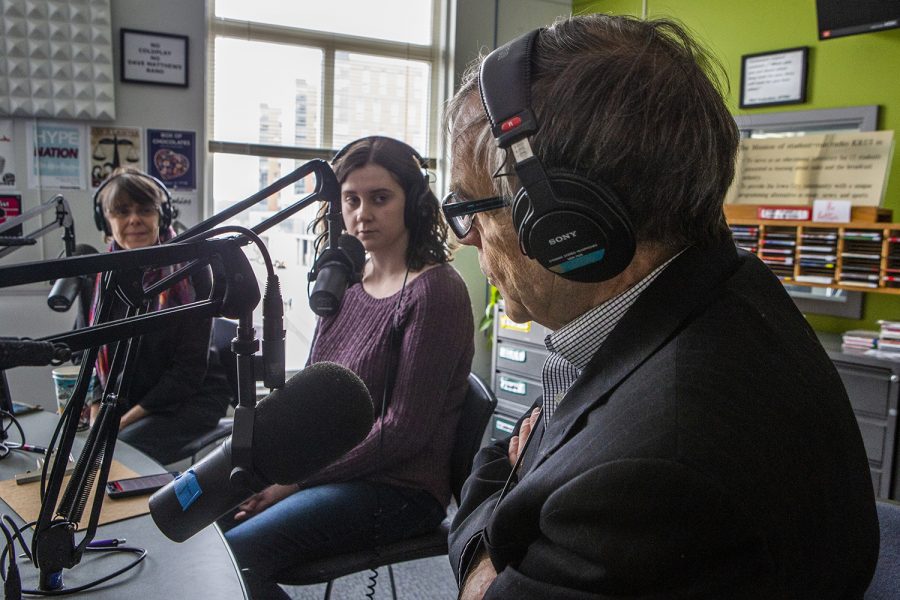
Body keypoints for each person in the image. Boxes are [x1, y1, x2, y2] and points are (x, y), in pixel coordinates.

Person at [443, 14, 879, 599]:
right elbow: (516, 445)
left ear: (565, 225)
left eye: (472, 208)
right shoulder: (726, 287)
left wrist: (480, 562)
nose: (466, 237)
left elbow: (504, 488)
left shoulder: (648, 477)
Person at [224, 136, 475, 599]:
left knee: (233, 554)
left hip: (399, 490)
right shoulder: (343, 282)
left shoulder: (435, 292)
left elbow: (402, 432)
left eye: (381, 198)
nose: (363, 213)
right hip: (330, 472)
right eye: (351, 199)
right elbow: (312, 390)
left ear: (414, 205)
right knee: (207, 518)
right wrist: (261, 466)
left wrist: (291, 481)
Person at [83, 166, 231, 465]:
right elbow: (88, 351)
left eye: (144, 209)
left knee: (113, 452)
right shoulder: (99, 278)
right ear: (106, 221)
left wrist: (119, 423)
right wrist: (97, 410)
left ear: (161, 215)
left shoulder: (192, 271)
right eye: (122, 212)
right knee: (82, 443)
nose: (134, 219)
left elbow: (187, 372)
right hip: (125, 397)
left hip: (191, 399)